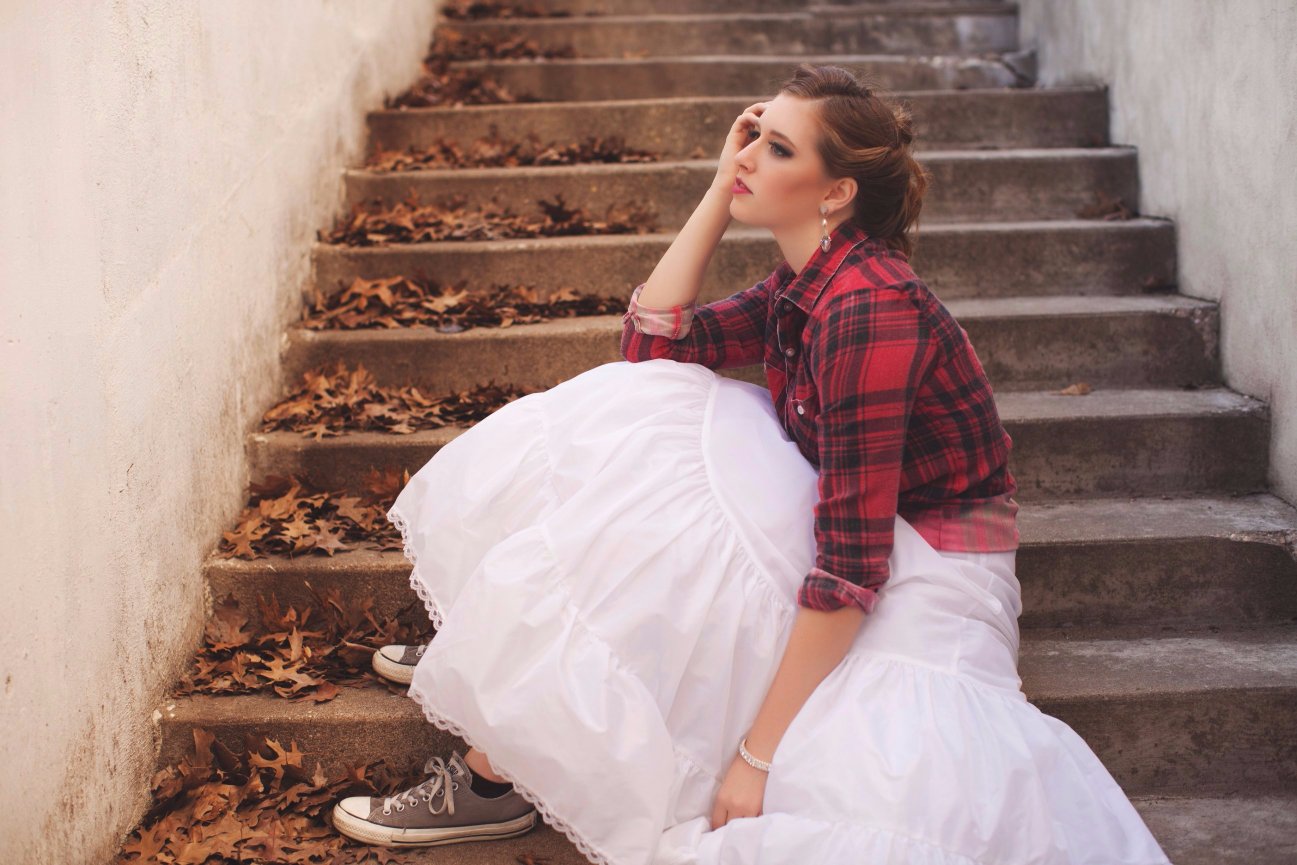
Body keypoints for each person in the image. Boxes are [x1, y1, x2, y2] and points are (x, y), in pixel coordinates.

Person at [330, 63, 1172, 865]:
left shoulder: (868, 313)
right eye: (752, 138)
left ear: (834, 192)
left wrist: (756, 756)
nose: (748, 157)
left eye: (776, 148)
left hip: (929, 567)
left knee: (673, 538)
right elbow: (654, 344)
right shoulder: (805, 283)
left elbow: (851, 569)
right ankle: (500, 649)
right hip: (855, 525)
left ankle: (491, 772)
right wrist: (717, 189)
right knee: (652, 405)